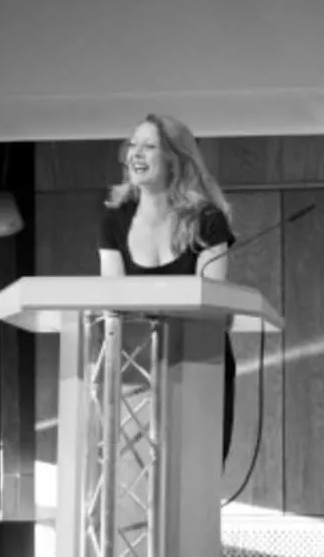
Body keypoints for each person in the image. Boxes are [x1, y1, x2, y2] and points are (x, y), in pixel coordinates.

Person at [98, 112, 236, 466]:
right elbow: (112, 301)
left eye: (149, 146)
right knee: (134, 472)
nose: (135, 153)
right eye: (133, 145)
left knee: (196, 469)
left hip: (199, 361)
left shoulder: (207, 220)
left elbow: (211, 304)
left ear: (175, 159)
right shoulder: (114, 219)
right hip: (135, 364)